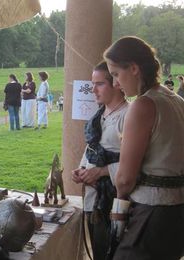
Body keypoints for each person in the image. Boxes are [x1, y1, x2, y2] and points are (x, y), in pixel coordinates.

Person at [104, 36, 184, 259]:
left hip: (152, 212)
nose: (115, 83)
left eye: (116, 74)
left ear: (134, 68)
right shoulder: (176, 100)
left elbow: (125, 179)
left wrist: (119, 208)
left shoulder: (143, 104)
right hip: (176, 211)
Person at [72, 61, 128, 260]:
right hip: (92, 198)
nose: (93, 89)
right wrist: (82, 170)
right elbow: (92, 149)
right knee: (97, 251)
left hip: (113, 201)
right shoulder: (99, 114)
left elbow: (138, 164)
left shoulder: (128, 116)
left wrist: (102, 172)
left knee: (110, 252)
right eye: (92, 83)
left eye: (100, 83)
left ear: (116, 84)